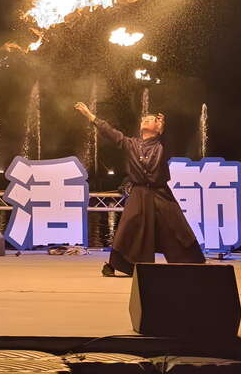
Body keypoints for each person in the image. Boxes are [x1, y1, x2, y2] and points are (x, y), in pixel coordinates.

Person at [74, 102, 205, 276]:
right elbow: (110, 132)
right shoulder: (131, 144)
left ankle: (192, 261)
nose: (146, 120)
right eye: (144, 119)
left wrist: (163, 131)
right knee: (129, 226)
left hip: (160, 192)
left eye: (151, 120)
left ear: (158, 128)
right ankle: (116, 264)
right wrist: (90, 116)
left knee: (176, 225)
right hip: (139, 193)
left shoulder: (162, 145)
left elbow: (170, 142)